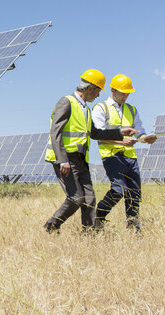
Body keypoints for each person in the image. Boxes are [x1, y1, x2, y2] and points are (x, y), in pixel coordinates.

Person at [43, 69, 138, 233]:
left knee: (89, 198)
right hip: (66, 158)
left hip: (80, 159)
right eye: (98, 91)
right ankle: (51, 226)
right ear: (90, 89)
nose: (99, 95)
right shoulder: (66, 102)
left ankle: (89, 234)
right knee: (76, 198)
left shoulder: (85, 109)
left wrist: (121, 132)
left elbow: (95, 134)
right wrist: (62, 160)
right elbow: (55, 132)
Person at [92, 74, 156, 233]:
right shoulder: (101, 108)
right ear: (112, 90)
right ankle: (98, 216)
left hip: (130, 156)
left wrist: (145, 138)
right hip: (111, 155)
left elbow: (139, 130)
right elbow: (98, 135)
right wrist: (121, 142)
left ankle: (134, 228)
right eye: (122, 93)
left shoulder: (132, 109)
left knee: (134, 193)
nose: (125, 96)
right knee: (119, 189)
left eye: (128, 93)